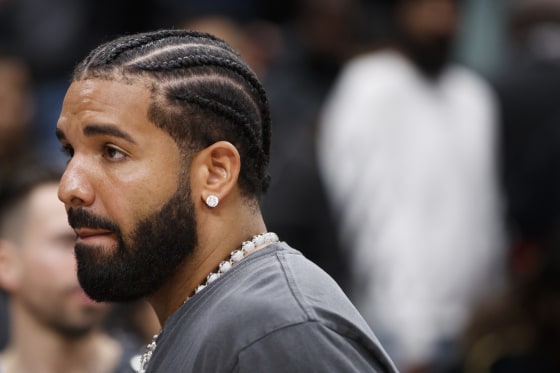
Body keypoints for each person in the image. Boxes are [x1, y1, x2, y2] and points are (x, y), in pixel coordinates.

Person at [54, 29, 397, 372]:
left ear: (216, 173)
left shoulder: (276, 332)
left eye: (112, 152)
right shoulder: (233, 319)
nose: (69, 186)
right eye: (69, 151)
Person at [317, 0, 507, 372]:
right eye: (428, 8)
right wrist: (407, 331)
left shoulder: (473, 96)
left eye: (450, 10)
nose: (441, 22)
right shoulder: (369, 88)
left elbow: (485, 210)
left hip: (473, 329)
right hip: (394, 329)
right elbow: (364, 214)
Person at [0, 164, 137, 372]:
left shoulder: (157, 367)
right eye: (67, 241)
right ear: (6, 265)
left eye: (102, 239)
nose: (92, 257)